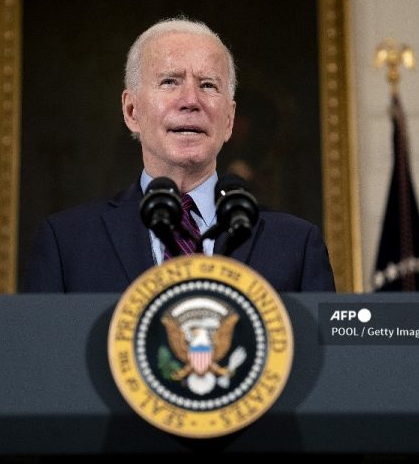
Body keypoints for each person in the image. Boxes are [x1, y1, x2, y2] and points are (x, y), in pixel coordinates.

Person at [22, 17, 335, 293]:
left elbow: (327, 358)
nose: (191, 101)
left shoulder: (296, 245)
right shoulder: (66, 243)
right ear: (131, 111)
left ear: (228, 120)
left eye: (208, 85)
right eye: (169, 82)